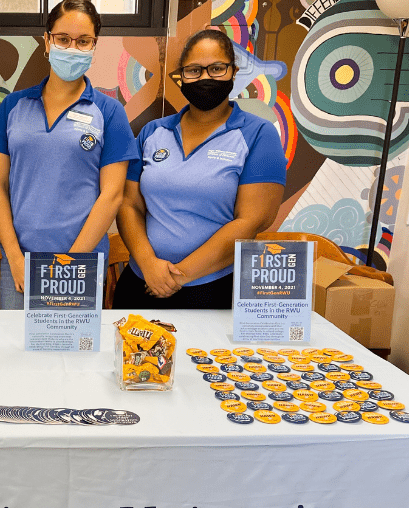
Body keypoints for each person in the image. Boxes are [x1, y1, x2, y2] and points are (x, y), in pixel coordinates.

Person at [113, 29, 286, 310]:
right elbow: (128, 204)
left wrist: (178, 277)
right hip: (142, 282)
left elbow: (251, 221)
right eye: (194, 70)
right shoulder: (152, 132)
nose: (205, 78)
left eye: (216, 68)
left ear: (233, 72)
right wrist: (148, 265)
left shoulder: (258, 134)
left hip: (212, 290)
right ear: (181, 76)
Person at [0, 0, 138, 310]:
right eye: (63, 39)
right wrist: (13, 257)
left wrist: (70, 262)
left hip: (81, 264)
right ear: (47, 41)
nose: (72, 48)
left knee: (76, 356)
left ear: (95, 46)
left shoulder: (110, 113)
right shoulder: (12, 107)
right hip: (19, 264)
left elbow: (112, 195)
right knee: (19, 356)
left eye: (83, 41)